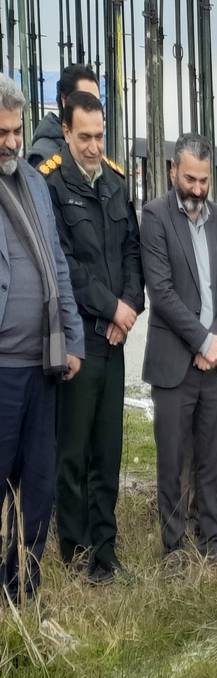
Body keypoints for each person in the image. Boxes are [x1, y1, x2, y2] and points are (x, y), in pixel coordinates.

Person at [44, 90, 143, 584]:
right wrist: (111, 307)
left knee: (108, 448)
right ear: (66, 133)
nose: (93, 146)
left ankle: (105, 547)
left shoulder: (115, 182)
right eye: (84, 137)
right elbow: (65, 266)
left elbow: (132, 252)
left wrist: (129, 308)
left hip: (114, 339)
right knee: (74, 450)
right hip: (80, 339)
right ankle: (75, 548)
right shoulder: (52, 186)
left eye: (100, 136)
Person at [0, 74, 84, 602]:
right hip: (2, 367)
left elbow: (57, 265)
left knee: (37, 483)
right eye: (2, 133)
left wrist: (72, 338)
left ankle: (24, 581)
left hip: (43, 363)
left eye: (16, 130)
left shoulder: (33, 182)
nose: (11, 142)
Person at [141, 133, 217, 563]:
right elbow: (161, 293)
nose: (197, 189)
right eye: (190, 179)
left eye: (203, 180)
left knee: (212, 458)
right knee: (172, 460)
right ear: (173, 172)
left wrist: (214, 339)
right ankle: (174, 548)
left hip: (215, 365)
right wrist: (201, 340)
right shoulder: (155, 217)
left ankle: (211, 542)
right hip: (175, 365)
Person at [28, 63, 100, 168]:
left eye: (96, 103)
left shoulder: (94, 149)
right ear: (64, 102)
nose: (94, 109)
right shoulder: (44, 156)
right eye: (85, 102)